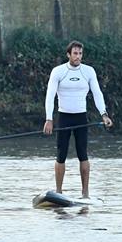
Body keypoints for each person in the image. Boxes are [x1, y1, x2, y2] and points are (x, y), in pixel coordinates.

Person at [43, 40, 113, 198]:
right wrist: (49, 119)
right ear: (68, 54)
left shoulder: (88, 72)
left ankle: (85, 193)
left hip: (81, 118)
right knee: (61, 154)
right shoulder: (58, 71)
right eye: (75, 53)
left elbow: (97, 93)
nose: (78, 56)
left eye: (80, 53)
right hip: (64, 118)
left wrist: (104, 114)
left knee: (83, 154)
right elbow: (50, 96)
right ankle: (59, 192)